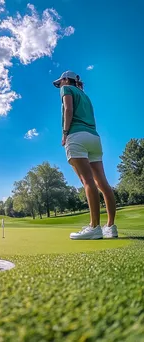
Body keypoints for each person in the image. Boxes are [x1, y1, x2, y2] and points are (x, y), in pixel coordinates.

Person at [53, 71, 118, 240]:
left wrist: (65, 133)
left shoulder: (66, 89)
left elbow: (68, 109)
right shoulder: (84, 95)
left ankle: (94, 227)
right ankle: (110, 227)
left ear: (67, 80)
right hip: (94, 138)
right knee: (102, 183)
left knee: (87, 180)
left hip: (77, 135)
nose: (60, 85)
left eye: (60, 82)